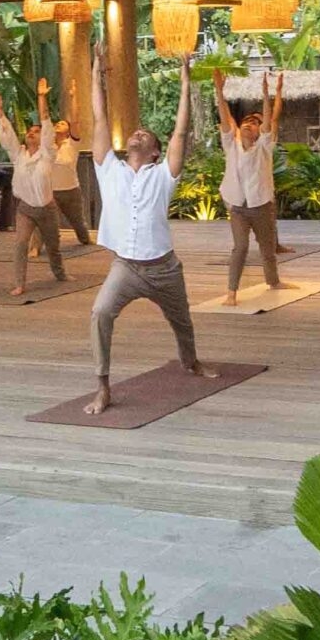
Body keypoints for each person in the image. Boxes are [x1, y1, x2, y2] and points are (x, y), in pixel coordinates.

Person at [84, 33, 210, 414]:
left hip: (165, 267)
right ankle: (103, 387)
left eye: (146, 135)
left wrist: (186, 83)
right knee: (100, 313)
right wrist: (96, 71)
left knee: (182, 321)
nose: (138, 133)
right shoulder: (109, 169)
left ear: (154, 150)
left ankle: (190, 361)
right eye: (135, 133)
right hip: (126, 266)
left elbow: (181, 132)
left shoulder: (163, 175)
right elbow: (99, 116)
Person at [0, 79, 68, 299]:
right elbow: (7, 137)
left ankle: (60, 273)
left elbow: (46, 124)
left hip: (47, 208)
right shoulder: (18, 155)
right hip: (25, 208)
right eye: (29, 131)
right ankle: (19, 283)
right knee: (20, 244)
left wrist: (41, 97)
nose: (31, 133)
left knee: (53, 246)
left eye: (35, 132)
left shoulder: (48, 153)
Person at [216, 71, 285, 303]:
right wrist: (219, 90)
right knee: (240, 247)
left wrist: (269, 94)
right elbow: (225, 117)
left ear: (259, 132)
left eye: (254, 124)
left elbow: (270, 121)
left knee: (267, 249)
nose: (249, 125)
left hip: (261, 205)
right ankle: (231, 292)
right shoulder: (231, 145)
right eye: (246, 122)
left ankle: (273, 281)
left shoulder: (264, 147)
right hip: (238, 206)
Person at [49, 105, 94, 246]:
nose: (58, 124)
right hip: (50, 191)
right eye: (57, 123)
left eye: (62, 124)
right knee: (48, 221)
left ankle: (85, 240)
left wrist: (73, 96)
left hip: (71, 190)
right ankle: (38, 247)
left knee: (78, 222)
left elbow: (75, 122)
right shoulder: (47, 145)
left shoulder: (72, 144)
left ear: (68, 131)